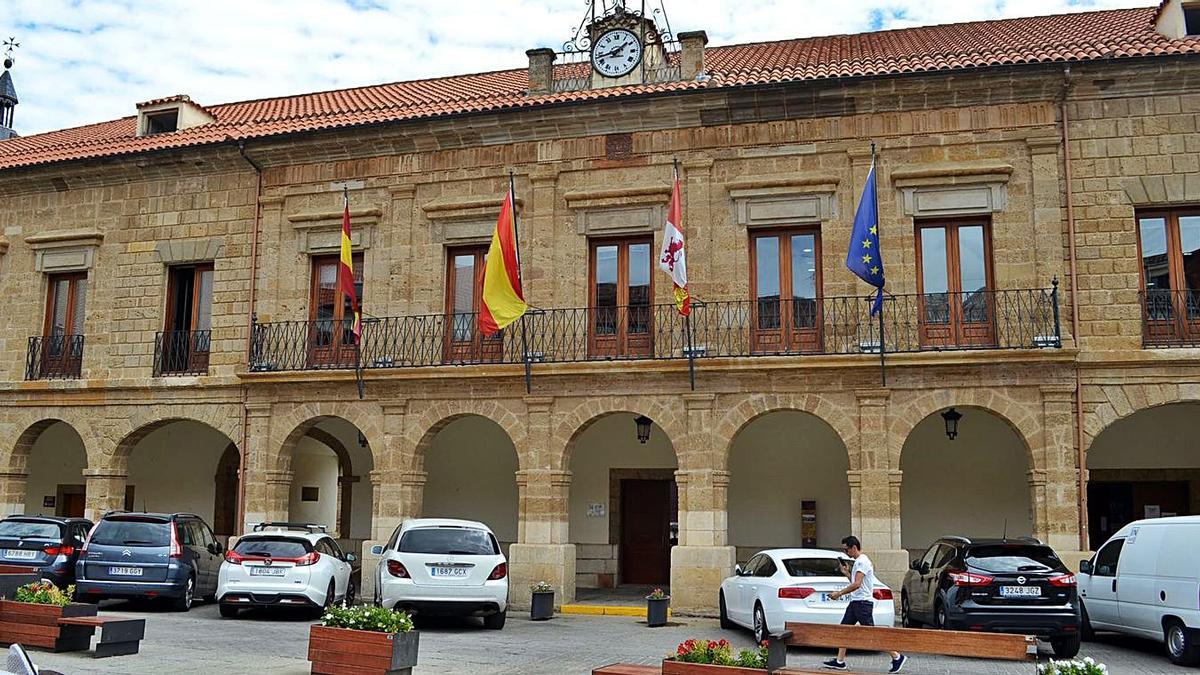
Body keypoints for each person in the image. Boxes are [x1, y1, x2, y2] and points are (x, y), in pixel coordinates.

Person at [822, 535, 907, 673]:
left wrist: (839, 594)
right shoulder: (858, 562)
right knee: (844, 630)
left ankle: (897, 656)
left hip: (862, 603)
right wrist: (847, 573)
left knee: (871, 633)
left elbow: (857, 584)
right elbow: (856, 583)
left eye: (846, 550)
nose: (845, 553)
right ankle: (839, 661)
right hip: (856, 602)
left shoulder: (862, 562)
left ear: (854, 547)